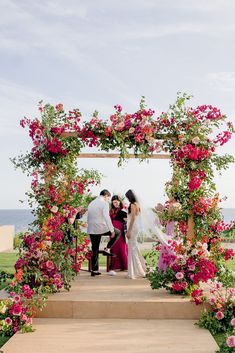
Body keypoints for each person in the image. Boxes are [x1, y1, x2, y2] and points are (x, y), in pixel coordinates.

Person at [87, 189, 121, 277]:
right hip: (101, 227)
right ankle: (107, 249)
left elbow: (89, 217)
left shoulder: (91, 203)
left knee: (95, 249)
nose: (108, 200)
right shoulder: (104, 203)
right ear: (105, 196)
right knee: (117, 232)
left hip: (91, 228)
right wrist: (112, 230)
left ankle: (94, 270)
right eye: (108, 198)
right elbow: (107, 217)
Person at [125, 189, 146, 279]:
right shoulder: (137, 204)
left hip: (133, 227)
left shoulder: (133, 205)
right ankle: (139, 269)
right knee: (134, 248)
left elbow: (132, 218)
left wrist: (128, 230)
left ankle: (134, 272)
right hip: (135, 227)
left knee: (132, 249)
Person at [109, 195, 128, 273]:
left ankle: (125, 266)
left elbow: (127, 220)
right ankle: (116, 266)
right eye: (114, 202)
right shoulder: (111, 211)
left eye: (117, 202)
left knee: (122, 247)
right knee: (114, 248)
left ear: (120, 202)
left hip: (121, 230)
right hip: (113, 230)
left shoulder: (123, 209)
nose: (115, 204)